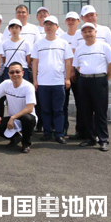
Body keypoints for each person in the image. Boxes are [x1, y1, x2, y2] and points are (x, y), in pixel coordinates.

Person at [73, 23, 111, 152]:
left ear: (95, 32)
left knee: (100, 111)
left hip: (99, 80)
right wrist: (85, 74)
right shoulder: (79, 49)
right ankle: (91, 138)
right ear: (82, 34)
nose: (88, 34)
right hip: (83, 81)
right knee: (86, 111)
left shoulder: (104, 46)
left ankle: (103, 140)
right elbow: (77, 66)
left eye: (90, 31)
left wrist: (105, 78)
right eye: (85, 32)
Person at [31, 15, 73, 143]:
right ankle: (47, 132)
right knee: (45, 110)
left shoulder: (63, 43)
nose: (48, 26)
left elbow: (68, 62)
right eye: (46, 24)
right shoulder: (38, 44)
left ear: (57, 27)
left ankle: (59, 133)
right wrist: (35, 80)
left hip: (58, 82)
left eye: (51, 24)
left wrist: (67, 78)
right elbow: (35, 63)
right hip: (43, 83)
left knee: (58, 110)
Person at [0, 62, 37, 153]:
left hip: (27, 118)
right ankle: (15, 137)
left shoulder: (28, 87)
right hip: (13, 118)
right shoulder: (6, 83)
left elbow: (30, 108)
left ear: (22, 73)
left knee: (27, 118)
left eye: (17, 72)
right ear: (8, 74)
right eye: (12, 72)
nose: (15, 74)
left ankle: (25, 144)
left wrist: (13, 117)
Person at [71, 5, 111, 80]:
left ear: (96, 15)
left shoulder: (105, 30)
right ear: (82, 18)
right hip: (82, 73)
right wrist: (72, 71)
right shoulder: (78, 33)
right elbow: (74, 53)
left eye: (92, 15)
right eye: (87, 16)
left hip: (101, 72)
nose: (90, 18)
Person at [61, 11, 84, 139]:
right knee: (63, 104)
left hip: (78, 74)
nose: (71, 22)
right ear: (65, 22)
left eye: (73, 20)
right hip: (64, 75)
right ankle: (63, 128)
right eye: (68, 19)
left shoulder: (82, 35)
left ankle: (80, 130)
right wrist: (68, 74)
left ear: (78, 21)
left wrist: (74, 71)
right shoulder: (61, 37)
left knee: (80, 103)